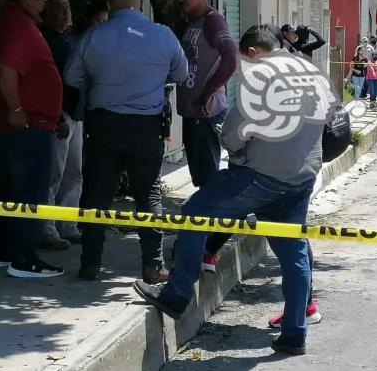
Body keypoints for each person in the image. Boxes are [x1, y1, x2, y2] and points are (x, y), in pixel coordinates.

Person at [133, 24, 333, 356]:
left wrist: (229, 135)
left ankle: (177, 294)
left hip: (260, 176)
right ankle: (295, 332)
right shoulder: (309, 70)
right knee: (293, 252)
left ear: (253, 53)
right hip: (302, 176)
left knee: (194, 213)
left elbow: (234, 135)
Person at [64, 0, 188, 283]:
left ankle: (90, 265)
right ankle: (153, 265)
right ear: (141, 6)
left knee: (97, 196)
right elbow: (181, 75)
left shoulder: (94, 36)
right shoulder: (164, 35)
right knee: (149, 196)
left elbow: (71, 77)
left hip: (104, 125)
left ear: (110, 5)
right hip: (146, 127)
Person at [0, 0, 64, 279]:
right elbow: (7, 67)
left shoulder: (8, 21)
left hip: (11, 126)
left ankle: (0, 252)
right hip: (26, 125)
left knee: (6, 192)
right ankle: (24, 259)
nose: (45, 5)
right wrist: (17, 108)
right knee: (28, 192)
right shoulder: (20, 26)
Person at [173, 0, 239, 272]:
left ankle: (206, 246)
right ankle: (205, 243)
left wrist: (207, 94)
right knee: (203, 180)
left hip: (206, 114)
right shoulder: (191, 23)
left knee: (208, 182)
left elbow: (230, 58)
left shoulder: (213, 20)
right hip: (192, 114)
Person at [38, 0, 83, 250]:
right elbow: (45, 84)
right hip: (58, 118)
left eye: (67, 8)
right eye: (58, 9)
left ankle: (68, 224)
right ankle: (47, 227)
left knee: (73, 174)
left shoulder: (71, 39)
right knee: (53, 174)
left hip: (76, 115)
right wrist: (56, 116)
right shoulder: (44, 40)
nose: (65, 14)